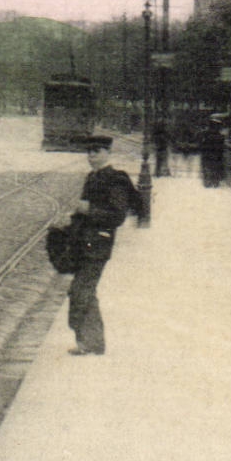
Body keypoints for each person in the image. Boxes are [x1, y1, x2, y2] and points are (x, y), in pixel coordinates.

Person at [60, 136, 145, 355]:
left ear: (108, 153)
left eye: (96, 151)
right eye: (89, 152)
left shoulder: (115, 179)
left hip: (98, 244)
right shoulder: (93, 176)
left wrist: (87, 210)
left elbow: (117, 216)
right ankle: (91, 341)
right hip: (85, 243)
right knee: (83, 290)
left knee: (80, 290)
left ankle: (89, 342)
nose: (91, 156)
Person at [199, 122, 227, 187]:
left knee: (207, 167)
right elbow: (222, 147)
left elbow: (202, 144)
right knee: (215, 168)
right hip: (216, 155)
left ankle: (207, 182)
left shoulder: (205, 134)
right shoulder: (220, 136)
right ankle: (215, 182)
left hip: (207, 154)